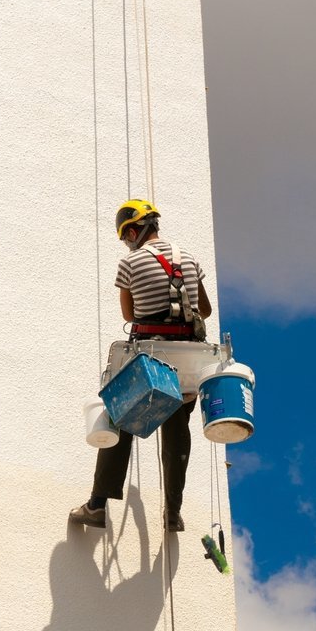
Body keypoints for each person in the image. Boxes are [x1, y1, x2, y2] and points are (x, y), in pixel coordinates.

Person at [69, 199, 213, 532]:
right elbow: (203, 309)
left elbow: (129, 315)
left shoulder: (130, 263)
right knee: (177, 433)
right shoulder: (189, 259)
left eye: (126, 236)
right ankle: (173, 512)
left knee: (119, 420)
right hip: (188, 359)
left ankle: (97, 504)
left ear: (133, 230)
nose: (127, 242)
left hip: (150, 358)